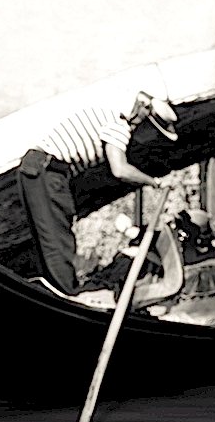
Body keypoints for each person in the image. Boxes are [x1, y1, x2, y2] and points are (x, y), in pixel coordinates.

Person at [16, 90, 178, 295]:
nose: (150, 140)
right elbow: (120, 169)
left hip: (35, 168)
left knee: (48, 238)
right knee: (58, 240)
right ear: (146, 123)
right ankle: (68, 295)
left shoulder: (110, 117)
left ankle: (53, 289)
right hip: (48, 172)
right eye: (155, 134)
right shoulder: (120, 125)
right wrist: (154, 182)